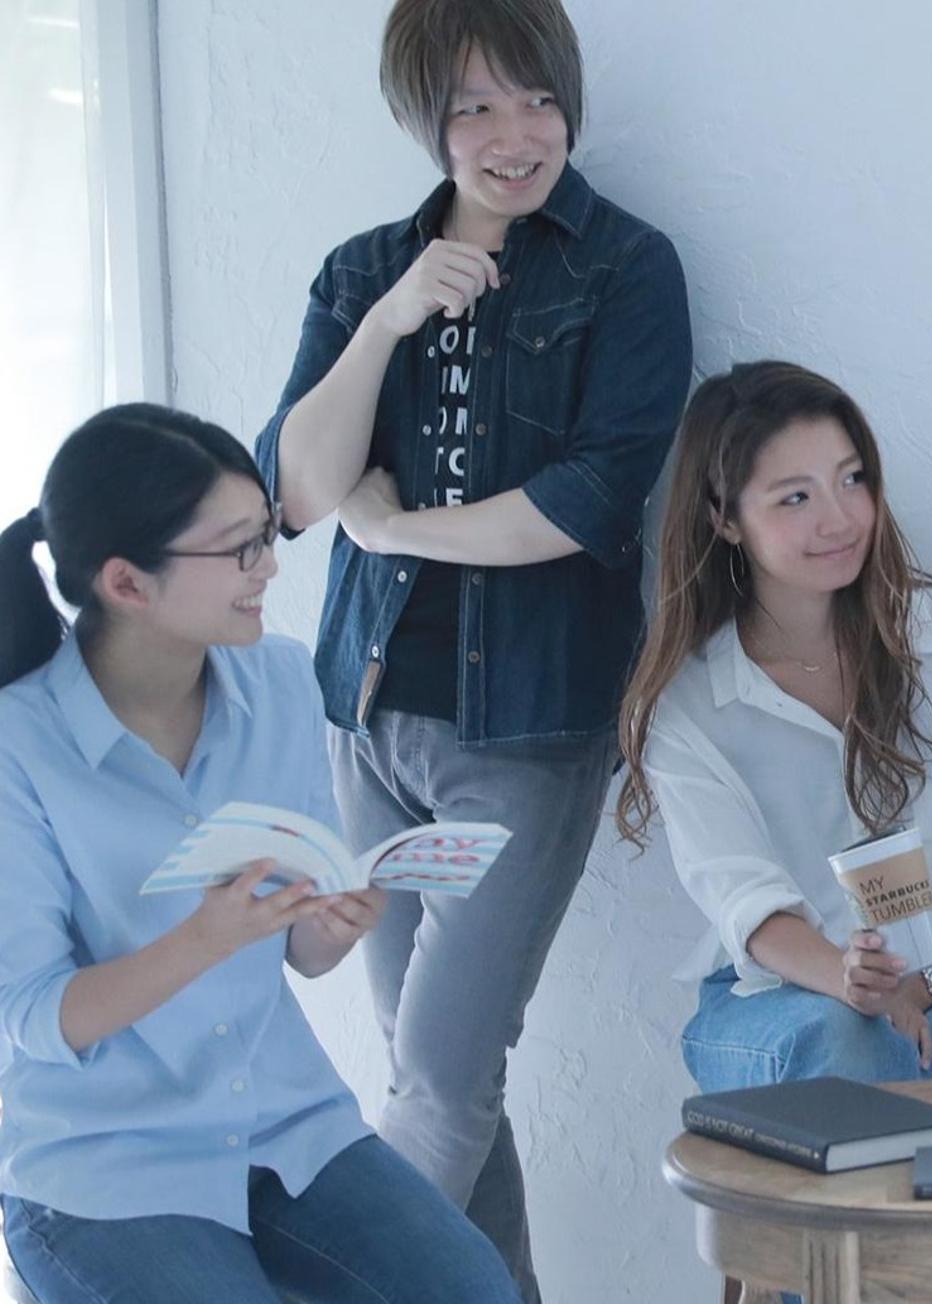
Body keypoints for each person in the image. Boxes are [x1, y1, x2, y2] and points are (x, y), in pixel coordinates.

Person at [252, 1, 690, 1294]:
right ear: (426, 123)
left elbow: (587, 501)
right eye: (477, 107)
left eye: (540, 99)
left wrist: (401, 527)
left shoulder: (623, 267)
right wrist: (387, 321)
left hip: (525, 736)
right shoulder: (363, 272)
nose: (518, 134)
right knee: (438, 1078)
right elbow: (296, 487)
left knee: (440, 1084)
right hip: (370, 717)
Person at [0, 404, 518, 1304]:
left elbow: (302, 957)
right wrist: (203, 938)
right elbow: (36, 1016)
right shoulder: (19, 745)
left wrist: (333, 922)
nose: (269, 567)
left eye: (267, 535)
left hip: (285, 1127)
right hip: (102, 1167)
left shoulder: (279, 681)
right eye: (239, 549)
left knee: (474, 1287)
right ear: (127, 583)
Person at [617, 360, 932, 1092]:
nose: (840, 519)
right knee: (841, 1043)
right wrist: (853, 985)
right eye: (795, 497)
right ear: (724, 518)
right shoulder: (687, 702)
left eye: (853, 479)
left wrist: (911, 989)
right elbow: (744, 899)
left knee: (867, 1065)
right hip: (768, 1000)